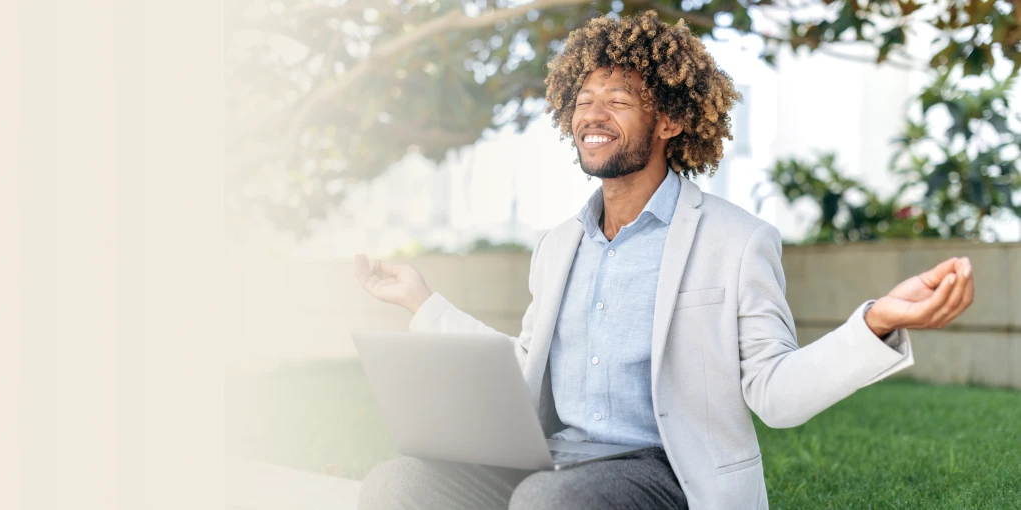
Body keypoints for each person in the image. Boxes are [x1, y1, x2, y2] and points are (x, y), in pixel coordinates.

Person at [351, 11, 976, 510]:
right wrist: (421, 303)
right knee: (398, 483)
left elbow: (776, 394)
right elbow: (523, 366)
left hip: (663, 474)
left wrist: (875, 324)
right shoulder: (558, 244)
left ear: (671, 119)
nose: (592, 115)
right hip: (556, 462)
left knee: (547, 502)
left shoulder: (738, 241)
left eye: (618, 100)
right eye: (583, 99)